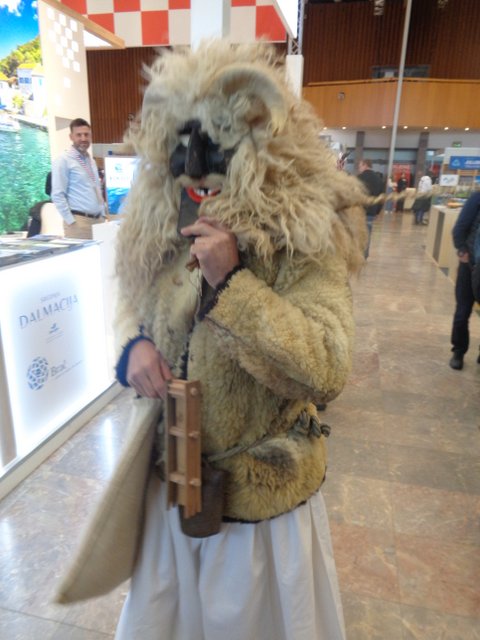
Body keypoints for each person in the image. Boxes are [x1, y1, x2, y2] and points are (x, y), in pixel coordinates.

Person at [56, 41, 367, 640]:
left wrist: (233, 284)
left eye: (216, 144)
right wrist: (132, 345)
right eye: (183, 143)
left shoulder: (303, 232)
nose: (195, 166)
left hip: (257, 507)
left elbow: (327, 367)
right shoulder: (163, 217)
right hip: (173, 483)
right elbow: (132, 295)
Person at [51, 118, 105, 239]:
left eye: (86, 134)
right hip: (79, 223)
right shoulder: (63, 160)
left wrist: (102, 214)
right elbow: (57, 195)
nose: (83, 138)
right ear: (71, 137)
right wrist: (71, 221)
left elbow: (96, 188)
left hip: (98, 221)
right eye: (79, 135)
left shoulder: (91, 160)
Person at [449, 190, 480, 370]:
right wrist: (462, 251)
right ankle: (459, 351)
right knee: (462, 312)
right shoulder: (477, 198)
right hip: (470, 267)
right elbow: (459, 228)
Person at [358, 159, 383, 258]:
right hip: (371, 212)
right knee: (367, 234)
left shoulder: (359, 178)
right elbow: (381, 197)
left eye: (360, 166)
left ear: (365, 165)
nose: (359, 168)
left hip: (359, 211)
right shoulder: (378, 179)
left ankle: (356, 256)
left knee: (356, 234)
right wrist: (377, 212)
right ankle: (364, 256)